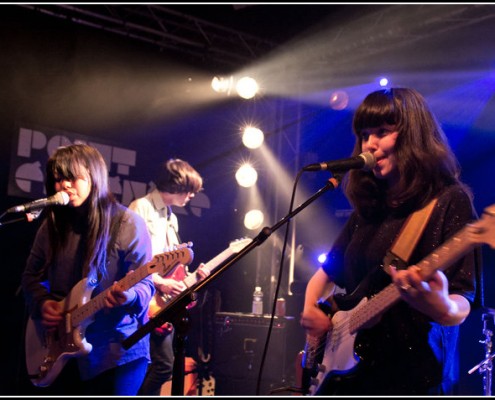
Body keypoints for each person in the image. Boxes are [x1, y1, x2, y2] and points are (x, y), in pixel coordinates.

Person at [300, 88, 483, 395]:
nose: (369, 143)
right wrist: (311, 314)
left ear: (413, 134)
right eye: (364, 134)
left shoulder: (449, 200)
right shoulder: (371, 205)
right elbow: (325, 274)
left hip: (413, 377)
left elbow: (463, 300)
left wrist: (441, 306)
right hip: (350, 377)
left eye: (382, 132)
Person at [21, 143, 155, 396]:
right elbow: (30, 277)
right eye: (58, 179)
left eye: (71, 177)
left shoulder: (127, 223)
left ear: (94, 176)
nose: (64, 185)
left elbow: (145, 284)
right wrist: (42, 303)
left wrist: (129, 295)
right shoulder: (51, 226)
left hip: (117, 352)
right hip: (63, 350)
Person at [129, 158, 208, 396]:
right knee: (157, 365)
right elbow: (132, 261)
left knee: (160, 365)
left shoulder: (171, 218)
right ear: (175, 185)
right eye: (190, 190)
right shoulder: (140, 207)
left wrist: (195, 276)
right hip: (143, 299)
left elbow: (172, 266)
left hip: (162, 301)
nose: (192, 196)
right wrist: (160, 283)